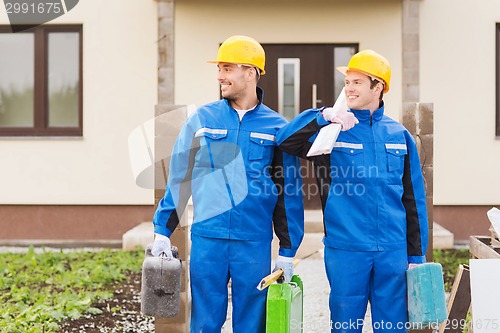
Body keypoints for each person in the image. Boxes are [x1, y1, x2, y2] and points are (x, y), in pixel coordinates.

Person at [150, 35, 304, 333]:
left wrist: (287, 250)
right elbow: (181, 177)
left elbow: (288, 194)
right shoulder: (203, 119)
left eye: (227, 68)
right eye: (219, 68)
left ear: (251, 72)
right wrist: (162, 231)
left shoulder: (276, 127)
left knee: (252, 324)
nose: (220, 75)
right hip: (209, 238)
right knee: (205, 322)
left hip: (254, 242)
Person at [276, 49, 429, 333]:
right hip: (346, 250)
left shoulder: (400, 136)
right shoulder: (332, 133)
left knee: (393, 328)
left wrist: (417, 257)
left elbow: (414, 199)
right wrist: (323, 116)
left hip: (392, 251)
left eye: (357, 82)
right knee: (345, 327)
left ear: (378, 86)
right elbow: (285, 140)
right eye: (347, 82)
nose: (348, 88)